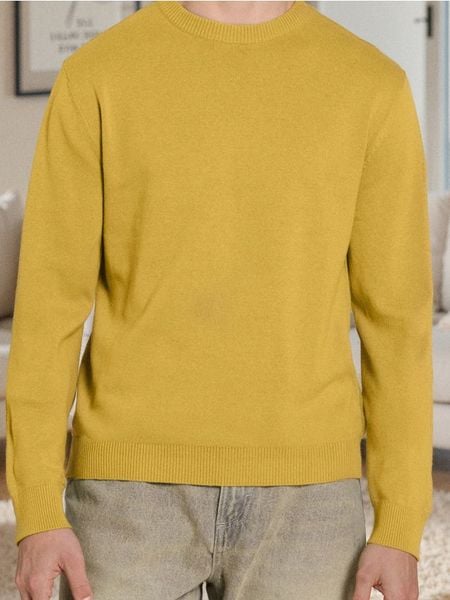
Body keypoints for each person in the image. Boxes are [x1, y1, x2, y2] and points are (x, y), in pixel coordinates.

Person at [5, 1, 434, 599]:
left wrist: (400, 524)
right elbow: (48, 308)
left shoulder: (372, 85)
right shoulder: (98, 75)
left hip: (308, 502)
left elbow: (397, 324)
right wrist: (36, 511)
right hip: (125, 493)